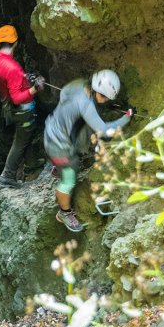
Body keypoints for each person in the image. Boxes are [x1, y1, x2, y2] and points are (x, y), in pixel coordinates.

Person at [44, 70, 132, 232]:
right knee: (69, 180)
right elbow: (104, 131)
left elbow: (64, 94)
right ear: (97, 91)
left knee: (83, 132)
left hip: (52, 129)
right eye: (104, 97)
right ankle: (63, 213)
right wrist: (126, 117)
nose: (105, 101)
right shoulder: (85, 104)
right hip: (58, 145)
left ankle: (59, 167)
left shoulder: (79, 84)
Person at [0, 24, 45, 188]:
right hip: (22, 109)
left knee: (25, 134)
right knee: (20, 141)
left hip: (8, 107)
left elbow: (8, 79)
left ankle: (31, 163)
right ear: (15, 42)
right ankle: (8, 177)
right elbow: (18, 97)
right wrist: (34, 88)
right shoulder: (13, 69)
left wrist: (24, 78)